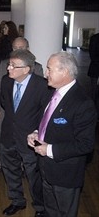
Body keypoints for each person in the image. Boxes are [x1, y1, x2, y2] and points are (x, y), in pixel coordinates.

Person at [27, 51, 97, 217]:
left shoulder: (82, 103)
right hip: (46, 169)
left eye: (49, 69)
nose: (45, 73)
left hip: (65, 175)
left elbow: (85, 144)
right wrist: (36, 133)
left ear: (64, 72)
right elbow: (48, 121)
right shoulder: (53, 92)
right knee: (50, 211)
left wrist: (48, 150)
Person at [0, 49, 49, 217]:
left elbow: (45, 114)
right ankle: (17, 201)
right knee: (10, 171)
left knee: (34, 176)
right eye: (9, 64)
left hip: (29, 140)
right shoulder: (6, 81)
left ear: (27, 69)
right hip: (8, 136)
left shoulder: (42, 85)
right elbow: (5, 105)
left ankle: (40, 207)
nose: (9, 68)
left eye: (13, 66)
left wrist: (36, 132)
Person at [0, 37, 43, 172]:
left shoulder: (36, 67)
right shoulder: (5, 64)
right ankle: (1, 162)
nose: (17, 51)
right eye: (15, 48)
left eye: (21, 48)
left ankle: (22, 166)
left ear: (27, 49)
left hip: (27, 115)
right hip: (7, 110)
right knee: (1, 137)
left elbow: (40, 95)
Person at [88, 33, 99, 116]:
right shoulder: (95, 38)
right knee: (93, 90)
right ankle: (92, 109)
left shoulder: (94, 38)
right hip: (96, 67)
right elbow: (92, 54)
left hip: (95, 66)